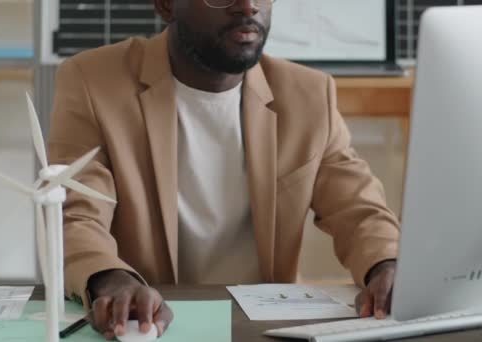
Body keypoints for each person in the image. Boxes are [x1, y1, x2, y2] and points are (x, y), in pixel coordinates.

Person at [47, 0, 401, 339]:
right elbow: (76, 212)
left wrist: (386, 264)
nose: (248, 6)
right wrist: (111, 279)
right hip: (149, 322)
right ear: (166, 4)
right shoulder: (94, 82)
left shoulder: (308, 94)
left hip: (265, 325)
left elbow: (357, 209)